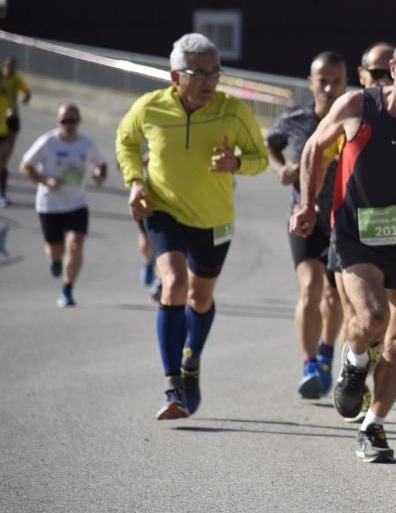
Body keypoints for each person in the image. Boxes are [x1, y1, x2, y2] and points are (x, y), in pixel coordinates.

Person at [290, 31, 396, 463]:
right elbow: (315, 148)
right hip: (355, 233)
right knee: (372, 318)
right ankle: (352, 362)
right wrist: (308, 203)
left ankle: (374, 425)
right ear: (393, 70)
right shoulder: (357, 106)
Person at [116, 32, 268, 420]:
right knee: (173, 284)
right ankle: (172, 385)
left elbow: (260, 158)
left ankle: (191, 359)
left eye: (213, 72)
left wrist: (237, 164)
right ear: (174, 76)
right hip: (163, 208)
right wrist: (135, 182)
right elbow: (126, 141)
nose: (207, 81)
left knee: (200, 299)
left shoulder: (233, 111)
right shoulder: (150, 108)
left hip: (214, 219)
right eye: (196, 73)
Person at [267, 51, 348, 399]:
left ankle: (328, 350)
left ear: (346, 84)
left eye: (336, 81)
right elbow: (272, 144)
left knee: (334, 295)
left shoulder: (352, 118)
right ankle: (310, 363)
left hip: (342, 219)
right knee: (311, 286)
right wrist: (280, 168)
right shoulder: (296, 117)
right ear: (310, 82)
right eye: (323, 80)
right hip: (303, 216)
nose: (329, 88)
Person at [19, 103, 107, 306]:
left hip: (77, 203)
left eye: (72, 120)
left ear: (79, 122)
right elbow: (25, 166)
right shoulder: (47, 142)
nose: (68, 125)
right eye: (64, 121)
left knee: (76, 245)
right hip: (49, 204)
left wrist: (99, 174)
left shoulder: (86, 144)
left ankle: (67, 290)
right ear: (58, 122)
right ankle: (55, 259)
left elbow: (101, 165)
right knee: (55, 249)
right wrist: (45, 181)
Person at [0, 57, 31, 207]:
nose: (9, 69)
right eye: (7, 66)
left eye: (11, 66)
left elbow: (27, 91)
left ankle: (2, 193)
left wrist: (24, 99)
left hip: (6, 129)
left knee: (3, 161)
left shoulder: (16, 82)